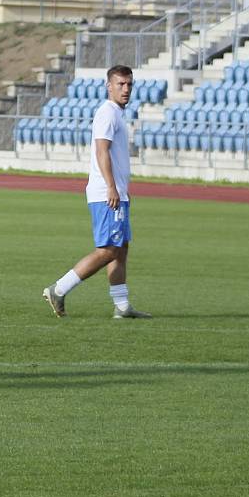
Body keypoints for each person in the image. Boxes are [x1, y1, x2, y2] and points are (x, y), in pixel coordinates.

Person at [43, 65, 151, 320]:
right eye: (120, 84)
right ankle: (59, 289)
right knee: (108, 250)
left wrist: (122, 189)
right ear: (109, 86)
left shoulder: (116, 114)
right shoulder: (107, 113)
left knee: (121, 248)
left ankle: (122, 306)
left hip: (117, 192)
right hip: (106, 192)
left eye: (129, 85)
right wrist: (112, 187)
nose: (125, 89)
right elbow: (102, 150)